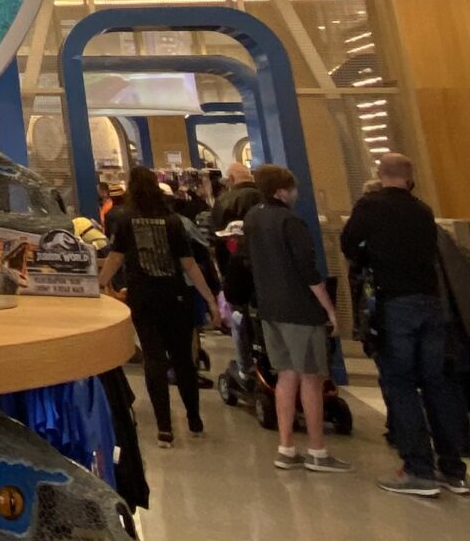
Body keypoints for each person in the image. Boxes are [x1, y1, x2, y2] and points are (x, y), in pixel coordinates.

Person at [339, 154, 470, 497]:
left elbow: (349, 245)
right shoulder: (422, 210)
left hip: (394, 302)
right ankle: (453, 467)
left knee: (400, 384)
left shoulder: (370, 206)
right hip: (430, 302)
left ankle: (418, 468)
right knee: (436, 383)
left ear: (380, 174)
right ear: (410, 177)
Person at [100, 165, 222, 447]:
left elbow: (116, 258)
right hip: (175, 295)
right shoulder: (173, 221)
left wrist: (99, 284)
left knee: (154, 359)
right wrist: (209, 298)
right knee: (183, 360)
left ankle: (164, 427)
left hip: (143, 296)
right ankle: (194, 418)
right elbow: (189, 265)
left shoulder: (127, 221)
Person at [242, 165, 353, 474]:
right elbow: (308, 270)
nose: (296, 194)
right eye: (292, 189)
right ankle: (317, 449)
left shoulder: (252, 218)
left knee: (285, 375)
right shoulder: (290, 222)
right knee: (311, 378)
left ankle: (286, 446)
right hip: (300, 311)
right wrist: (329, 309)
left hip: (270, 309)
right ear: (281, 191)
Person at [210, 162, 263, 235]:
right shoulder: (265, 195)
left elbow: (217, 228)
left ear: (231, 178)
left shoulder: (223, 199)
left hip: (232, 240)